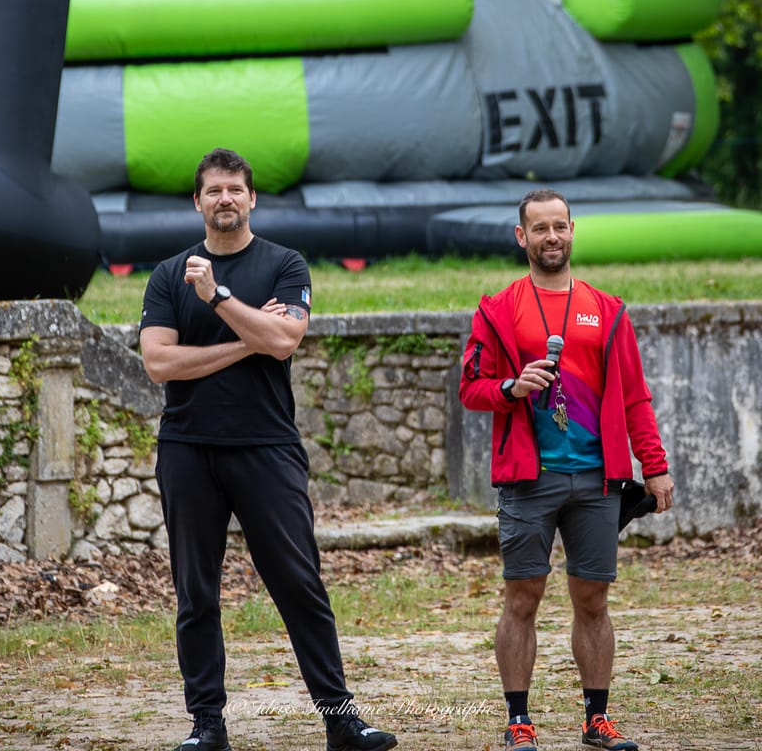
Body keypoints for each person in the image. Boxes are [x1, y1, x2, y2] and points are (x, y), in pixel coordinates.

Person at [140, 148, 397, 751]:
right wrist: (246, 339)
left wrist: (217, 298)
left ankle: (341, 721)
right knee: (196, 593)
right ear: (197, 202)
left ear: (252, 198)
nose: (225, 199)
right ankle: (207, 725)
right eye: (213, 190)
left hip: (267, 446)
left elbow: (285, 340)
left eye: (235, 189)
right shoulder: (170, 273)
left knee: (299, 583)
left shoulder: (285, 264)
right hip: (188, 448)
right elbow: (159, 363)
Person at [459, 189, 674, 751]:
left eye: (560, 226)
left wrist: (654, 467)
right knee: (522, 598)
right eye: (540, 228)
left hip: (598, 480)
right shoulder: (499, 310)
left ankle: (596, 719)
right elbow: (471, 388)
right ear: (521, 236)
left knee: (593, 600)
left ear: (572, 230)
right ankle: (519, 722)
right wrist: (511, 386)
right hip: (528, 479)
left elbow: (635, 397)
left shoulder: (607, 309)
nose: (551, 237)